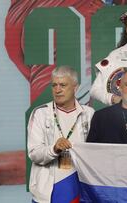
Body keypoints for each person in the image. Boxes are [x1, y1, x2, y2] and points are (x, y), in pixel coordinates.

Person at [27, 66, 94, 203]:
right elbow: (34, 154)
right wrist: (54, 148)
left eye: (63, 85)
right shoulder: (40, 113)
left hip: (79, 186)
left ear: (75, 88)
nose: (57, 90)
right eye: (54, 85)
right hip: (48, 192)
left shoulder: (89, 114)